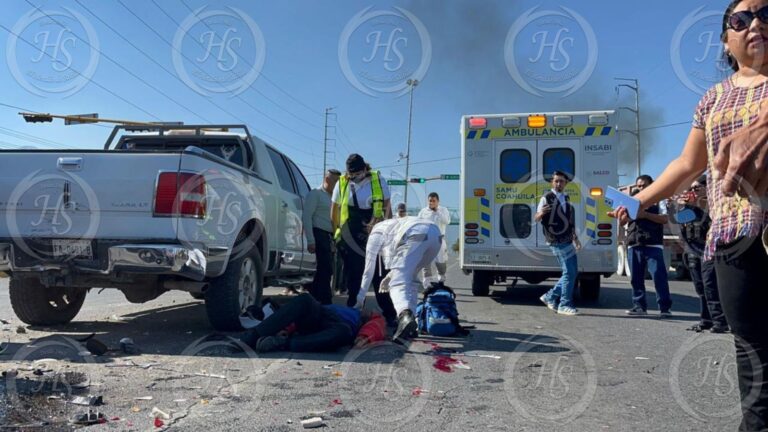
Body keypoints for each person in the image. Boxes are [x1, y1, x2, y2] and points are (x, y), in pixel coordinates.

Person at [610, 2, 768, 427]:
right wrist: (639, 202)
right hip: (736, 236)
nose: (755, 23)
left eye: (766, 14)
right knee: (752, 349)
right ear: (726, 40)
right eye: (741, 19)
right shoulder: (712, 99)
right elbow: (686, 165)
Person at [354, 216, 442, 342]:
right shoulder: (393, 225)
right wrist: (390, 274)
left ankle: (405, 317)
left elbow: (368, 272)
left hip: (416, 233)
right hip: (435, 235)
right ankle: (411, 327)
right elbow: (402, 264)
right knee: (410, 279)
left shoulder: (376, 233)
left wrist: (359, 301)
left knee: (397, 283)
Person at [331, 154, 392, 308]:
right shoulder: (343, 182)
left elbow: (387, 209)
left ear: (365, 169)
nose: (354, 177)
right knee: (354, 273)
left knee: (379, 273)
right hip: (350, 232)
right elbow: (334, 211)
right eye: (351, 174)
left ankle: (389, 313)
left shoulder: (378, 181)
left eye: (357, 174)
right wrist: (336, 234)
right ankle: (354, 308)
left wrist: (386, 232)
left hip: (375, 230)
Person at [239, 293, 386, 353]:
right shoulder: (347, 310)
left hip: (336, 328)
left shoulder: (365, 318)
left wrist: (364, 337)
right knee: (305, 299)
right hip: (320, 315)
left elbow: (377, 325)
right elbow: (300, 312)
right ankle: (252, 336)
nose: (368, 309)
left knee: (343, 331)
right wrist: (288, 328)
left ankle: (282, 343)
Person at [676, 175, 729, 333]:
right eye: (690, 189)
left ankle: (720, 321)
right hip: (692, 251)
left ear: (708, 188)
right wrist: (676, 205)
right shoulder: (689, 208)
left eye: (696, 188)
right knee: (700, 287)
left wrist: (698, 203)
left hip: (710, 250)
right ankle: (706, 320)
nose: (692, 192)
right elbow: (677, 221)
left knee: (710, 286)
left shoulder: (715, 204)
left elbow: (715, 218)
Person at [622, 175, 673, 318]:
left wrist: (645, 215)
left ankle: (665, 308)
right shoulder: (630, 201)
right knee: (636, 278)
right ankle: (639, 307)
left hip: (653, 244)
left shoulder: (659, 200)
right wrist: (622, 216)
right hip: (634, 243)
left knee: (658, 276)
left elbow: (664, 219)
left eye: (644, 185)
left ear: (651, 185)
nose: (641, 188)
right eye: (639, 186)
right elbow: (622, 222)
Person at [534, 171, 581, 316]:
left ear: (566, 183)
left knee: (572, 272)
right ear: (552, 183)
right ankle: (564, 304)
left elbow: (569, 221)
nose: (558, 184)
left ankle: (550, 296)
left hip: (567, 239)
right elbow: (536, 218)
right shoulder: (546, 198)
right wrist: (541, 213)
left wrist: (575, 237)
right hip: (555, 240)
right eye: (556, 181)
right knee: (569, 272)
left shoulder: (566, 198)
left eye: (561, 181)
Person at [302, 169, 341, 304]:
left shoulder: (335, 198)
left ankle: (315, 297)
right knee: (326, 269)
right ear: (326, 180)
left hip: (330, 236)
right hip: (319, 233)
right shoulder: (315, 194)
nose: (338, 185)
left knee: (324, 269)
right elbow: (307, 217)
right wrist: (311, 240)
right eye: (335, 181)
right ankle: (325, 300)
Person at [418, 192, 451, 284]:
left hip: (439, 239)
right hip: (426, 239)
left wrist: (437, 211)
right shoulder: (423, 211)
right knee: (425, 261)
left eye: (433, 201)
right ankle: (427, 281)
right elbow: (418, 224)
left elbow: (447, 221)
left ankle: (441, 278)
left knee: (441, 261)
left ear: (438, 201)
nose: (431, 202)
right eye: (430, 201)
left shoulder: (443, 210)